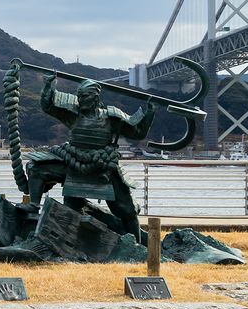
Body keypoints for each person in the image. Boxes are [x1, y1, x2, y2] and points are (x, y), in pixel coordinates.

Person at [24, 75, 155, 237]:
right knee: (35, 167)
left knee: (127, 211)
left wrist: (150, 112)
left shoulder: (112, 116)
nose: (80, 100)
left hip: (103, 167)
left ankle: (138, 243)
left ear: (95, 97)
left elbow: (138, 133)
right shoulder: (72, 113)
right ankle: (34, 205)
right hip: (73, 162)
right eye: (79, 96)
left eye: (84, 96)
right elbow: (49, 106)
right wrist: (49, 86)